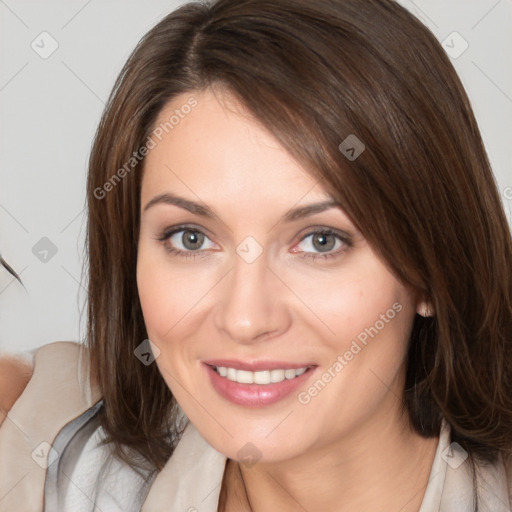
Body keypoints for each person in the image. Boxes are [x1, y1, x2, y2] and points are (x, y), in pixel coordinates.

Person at [1, 0, 512, 510]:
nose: (245, 319)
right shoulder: (39, 448)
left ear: (430, 268)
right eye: (191, 238)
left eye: (320, 241)